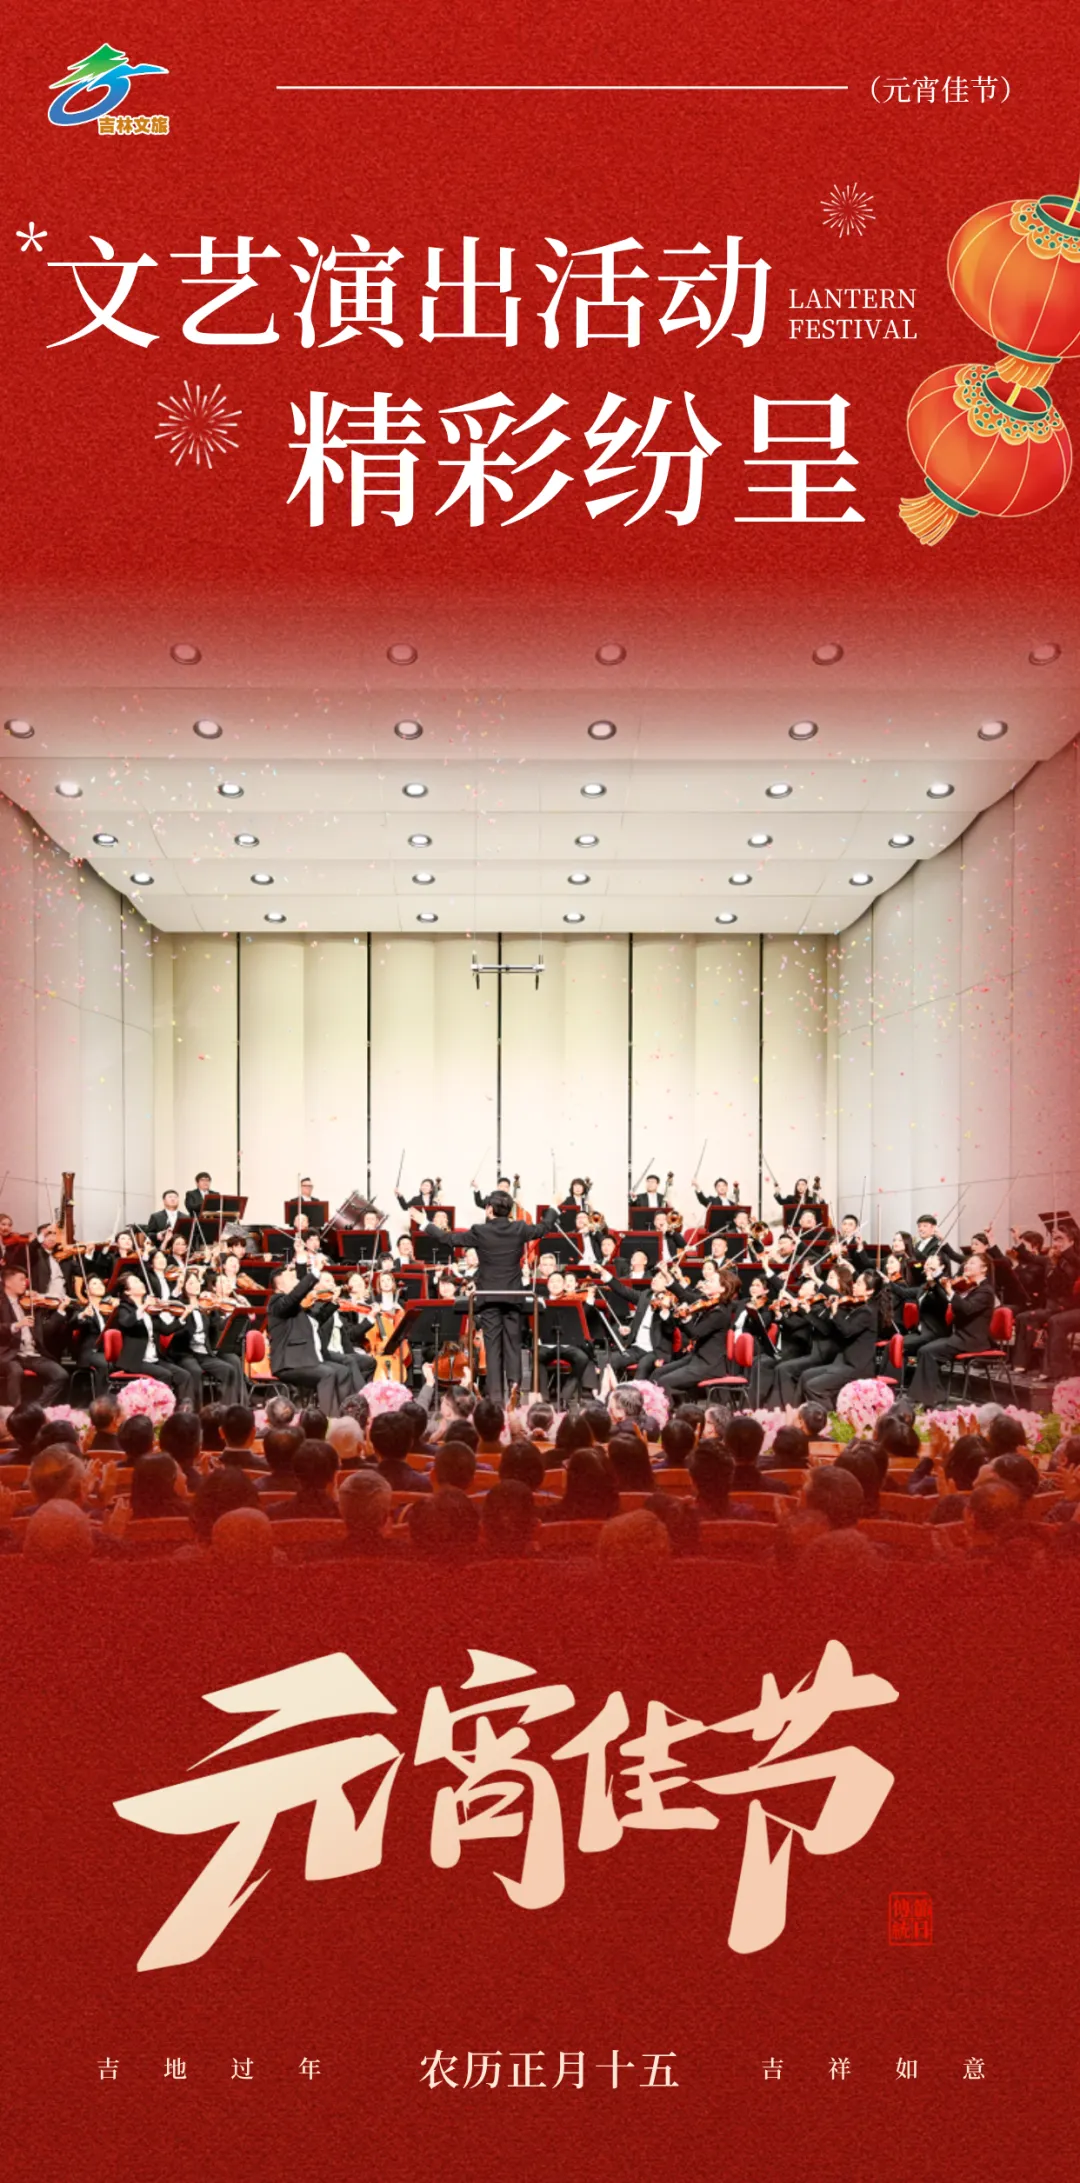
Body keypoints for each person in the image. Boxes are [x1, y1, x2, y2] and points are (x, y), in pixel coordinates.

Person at [423, 1192, 560, 1402]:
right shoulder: (519, 1228)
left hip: (488, 1296)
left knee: (493, 1347)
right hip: (513, 1295)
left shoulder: (480, 1231)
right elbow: (544, 1228)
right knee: (513, 1344)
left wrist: (425, 1223)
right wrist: (553, 1207)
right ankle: (514, 1388)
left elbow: (447, 1238)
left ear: (489, 1210)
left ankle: (495, 1397)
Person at [266, 1258, 356, 1416]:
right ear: (279, 1286)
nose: (296, 1281)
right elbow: (294, 1296)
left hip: (307, 1360)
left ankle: (348, 1415)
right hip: (289, 1363)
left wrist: (333, 1303)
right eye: (291, 1279)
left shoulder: (298, 1306)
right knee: (328, 1374)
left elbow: (317, 1320)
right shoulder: (276, 1303)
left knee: (343, 1371)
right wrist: (314, 1273)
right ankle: (330, 1419)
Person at [907, 1254, 997, 1406]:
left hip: (971, 1340)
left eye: (972, 1263)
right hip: (960, 1336)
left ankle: (928, 1398)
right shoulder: (972, 1288)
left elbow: (967, 1309)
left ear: (984, 1269)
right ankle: (933, 1395)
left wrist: (950, 1291)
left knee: (928, 1352)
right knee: (924, 1350)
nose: (966, 1265)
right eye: (966, 1263)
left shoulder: (986, 1291)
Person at [799, 1270, 885, 1407]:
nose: (854, 1285)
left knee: (813, 1387)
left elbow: (847, 1331)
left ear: (870, 1291)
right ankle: (800, 1413)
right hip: (843, 1362)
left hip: (856, 1367)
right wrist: (832, 1310)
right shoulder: (860, 1306)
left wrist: (835, 1312)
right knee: (805, 1375)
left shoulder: (868, 1311)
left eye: (859, 1284)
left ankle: (828, 1417)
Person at [111, 1274, 197, 1408]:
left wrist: (183, 1316)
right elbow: (126, 1323)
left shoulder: (152, 1310)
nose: (141, 1283)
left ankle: (184, 1411)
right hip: (136, 1360)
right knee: (165, 1375)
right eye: (136, 1281)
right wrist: (144, 1305)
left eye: (140, 1280)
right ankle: (161, 1410)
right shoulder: (124, 1308)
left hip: (154, 1359)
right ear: (127, 1291)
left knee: (184, 1375)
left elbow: (166, 1330)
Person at [0, 1265, 69, 1404]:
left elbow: (45, 1331)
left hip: (32, 1354)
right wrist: (16, 1325)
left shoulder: (30, 1304)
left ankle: (37, 1409)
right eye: (21, 1279)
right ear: (7, 1282)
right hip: (9, 1354)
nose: (25, 1283)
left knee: (61, 1375)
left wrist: (60, 1311)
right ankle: (16, 1411)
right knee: (16, 1371)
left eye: (26, 1279)